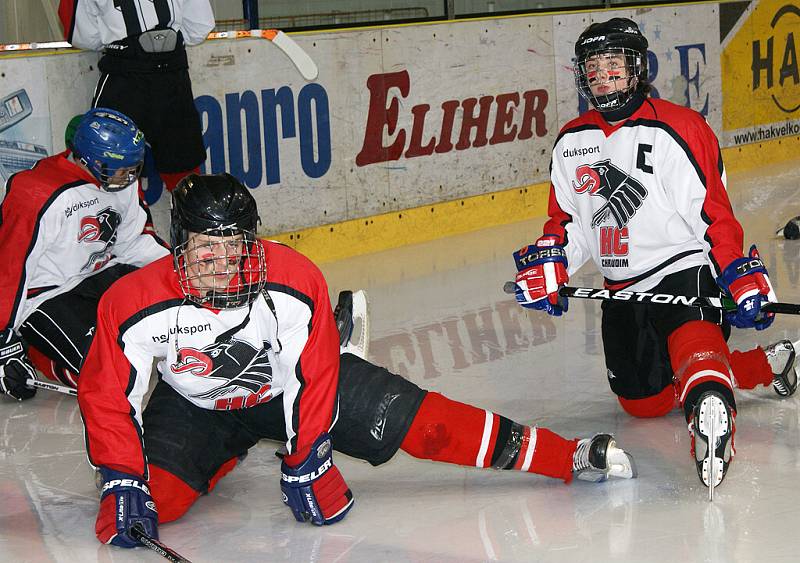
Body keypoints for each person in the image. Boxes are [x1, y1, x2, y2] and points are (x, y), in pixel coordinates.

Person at [77, 173, 636, 548]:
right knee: (154, 506)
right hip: (196, 402)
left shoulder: (292, 279)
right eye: (206, 247)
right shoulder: (131, 301)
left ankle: (565, 455)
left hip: (291, 384)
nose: (223, 263)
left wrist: (308, 455)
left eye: (235, 246)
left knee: (427, 425)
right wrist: (122, 477)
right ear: (179, 243)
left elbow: (314, 379)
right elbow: (106, 395)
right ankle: (224, 452)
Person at [512, 17, 799, 493]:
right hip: (620, 287)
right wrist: (555, 259)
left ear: (636, 68)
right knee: (642, 404)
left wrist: (733, 270)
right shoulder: (570, 143)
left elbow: (713, 214)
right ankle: (769, 365)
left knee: (697, 353)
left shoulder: (680, 127)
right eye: (594, 67)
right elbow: (572, 224)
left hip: (684, 268)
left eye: (614, 65)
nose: (603, 76)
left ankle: (711, 406)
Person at [0, 107, 170, 400]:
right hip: (48, 295)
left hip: (101, 273)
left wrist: (181, 269)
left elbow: (132, 242)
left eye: (133, 168)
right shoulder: (35, 193)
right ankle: (39, 350)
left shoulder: (121, 180)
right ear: (88, 159)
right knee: (110, 379)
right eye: (120, 169)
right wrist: (3, 340)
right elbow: (10, 269)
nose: (128, 177)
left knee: (175, 315)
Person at [58, 0, 215, 191]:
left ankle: (125, 219)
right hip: (172, 77)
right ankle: (192, 218)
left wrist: (117, 39)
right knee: (184, 173)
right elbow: (199, 27)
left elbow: (79, 33)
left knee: (113, 165)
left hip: (124, 77)